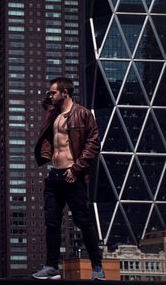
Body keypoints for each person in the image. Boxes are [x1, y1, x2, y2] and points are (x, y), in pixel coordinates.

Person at [32, 77, 105, 280]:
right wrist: (49, 97)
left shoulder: (82, 114)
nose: (50, 95)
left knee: (83, 221)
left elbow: (94, 143)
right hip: (54, 176)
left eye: (53, 92)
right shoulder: (53, 114)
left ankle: (97, 267)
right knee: (52, 223)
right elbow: (46, 103)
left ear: (65, 93)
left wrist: (76, 169)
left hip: (73, 176)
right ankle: (51, 267)